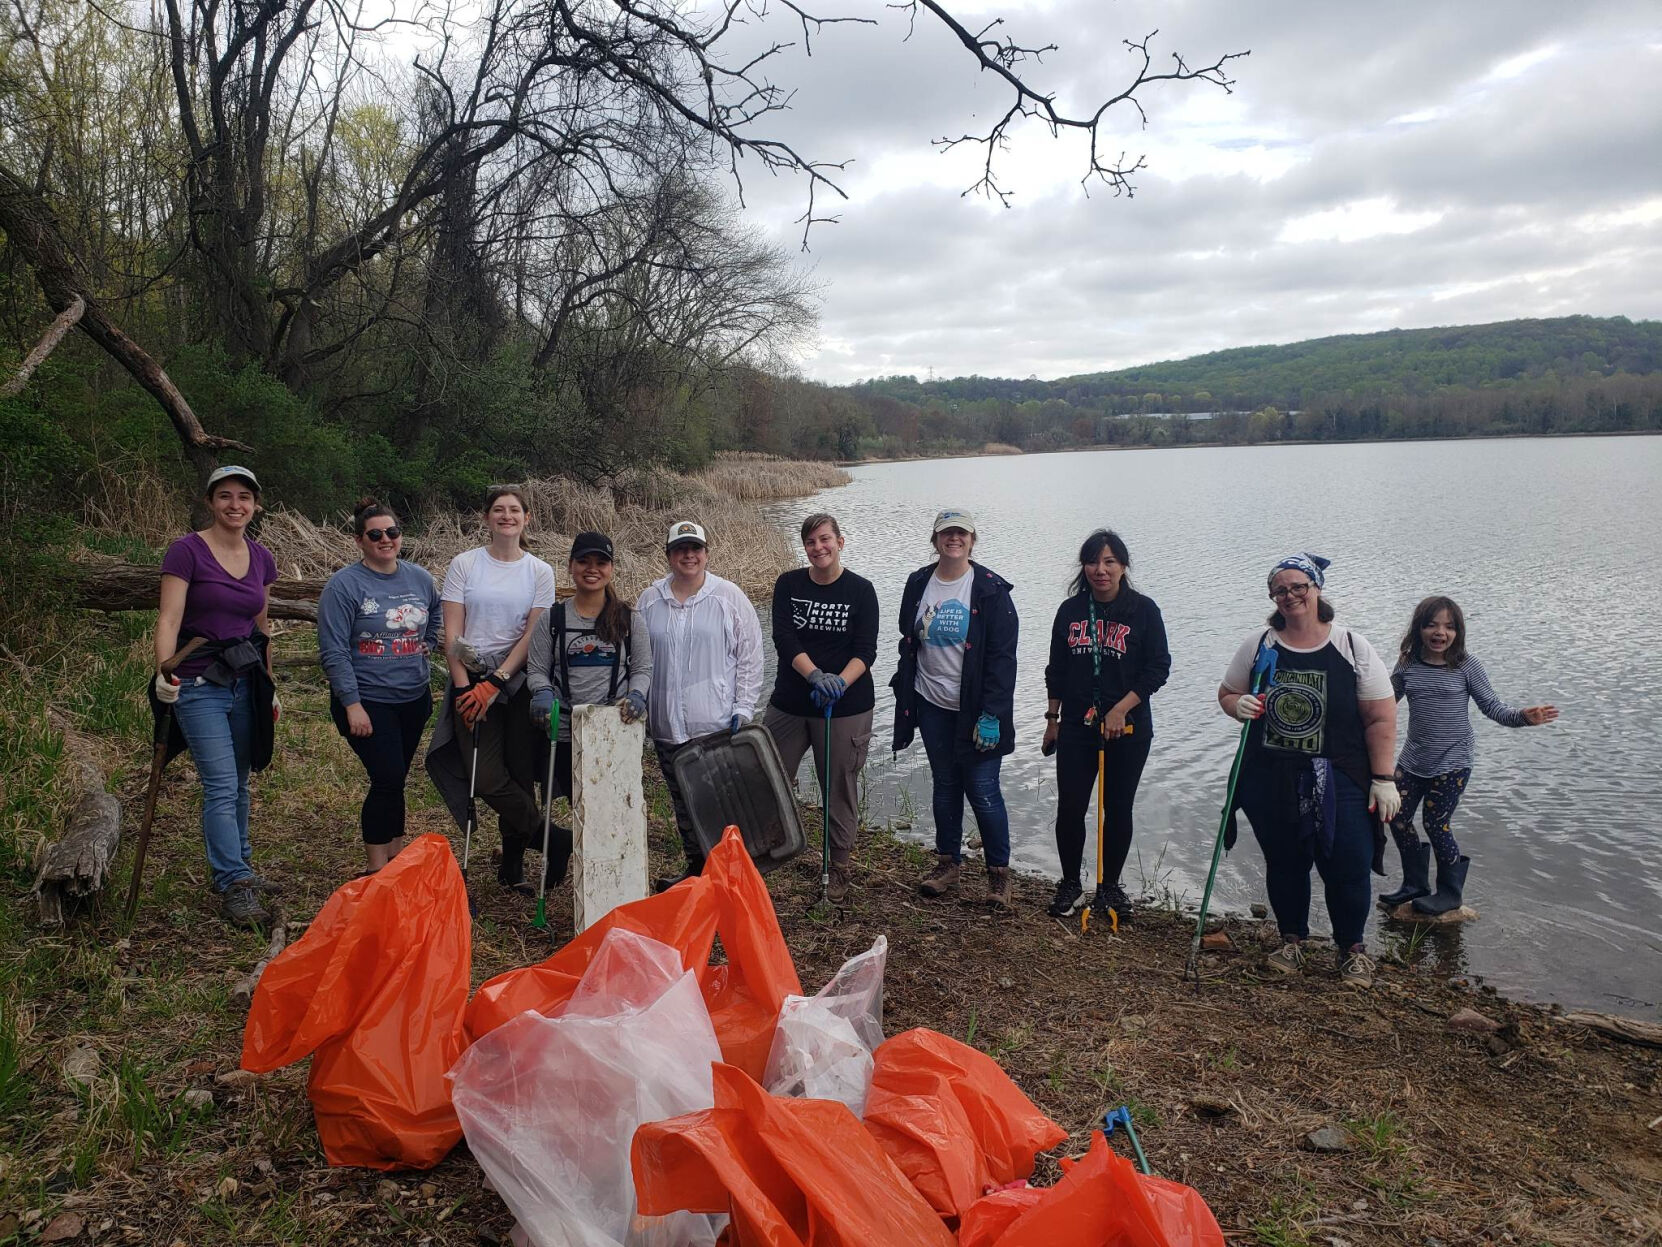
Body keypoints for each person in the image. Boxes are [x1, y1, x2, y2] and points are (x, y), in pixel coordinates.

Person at [1216, 553, 1400, 989]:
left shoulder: (1352, 646)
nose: (1290, 595)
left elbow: (1381, 717)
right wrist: (1237, 707)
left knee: (1348, 863)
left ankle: (1351, 950)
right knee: (1284, 861)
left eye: (1299, 586)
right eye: (1280, 589)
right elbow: (1228, 692)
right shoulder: (1260, 644)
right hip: (1271, 776)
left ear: (1317, 589)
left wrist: (1384, 778)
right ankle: (1291, 940)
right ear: (1272, 597)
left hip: (1342, 777)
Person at [152, 465, 280, 927]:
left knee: (241, 781)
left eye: (244, 497)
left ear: (256, 505)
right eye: (225, 496)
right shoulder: (187, 552)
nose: (235, 505)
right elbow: (169, 619)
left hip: (245, 682)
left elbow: (260, 628)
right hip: (198, 682)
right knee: (222, 785)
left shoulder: (262, 558)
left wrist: (269, 684)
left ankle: (240, 869)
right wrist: (164, 673)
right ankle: (233, 884)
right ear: (210, 502)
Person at [1380, 595, 1558, 916]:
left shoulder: (1466, 665)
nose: (1440, 632)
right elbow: (1383, 702)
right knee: (1397, 817)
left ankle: (1450, 893)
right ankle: (1415, 884)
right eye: (1431, 624)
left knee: (1436, 824)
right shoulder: (1408, 662)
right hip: (1413, 761)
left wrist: (1523, 717)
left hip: (1453, 762)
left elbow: (1493, 707)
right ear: (1418, 628)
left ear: (1458, 631)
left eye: (1448, 626)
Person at [425, 485, 556, 894]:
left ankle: (512, 866)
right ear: (486, 518)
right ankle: (555, 839)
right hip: (469, 680)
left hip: (515, 684)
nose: (506, 516)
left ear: (527, 518)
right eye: (498, 510)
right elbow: (452, 633)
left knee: (520, 774)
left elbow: (533, 635)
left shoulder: (540, 571)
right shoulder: (465, 564)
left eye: (514, 510)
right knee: (484, 777)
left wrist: (497, 682)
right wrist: (467, 689)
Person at [1042, 529, 1171, 922]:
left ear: (1123, 566)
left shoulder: (1144, 610)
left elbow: (1158, 668)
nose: (1101, 570)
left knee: (1118, 807)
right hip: (1079, 726)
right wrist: (1052, 719)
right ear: (1084, 566)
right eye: (1094, 561)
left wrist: (1121, 709)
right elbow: (1057, 669)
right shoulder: (1070, 611)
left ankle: (1110, 886)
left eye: (1110, 561)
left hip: (1128, 728)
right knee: (1071, 806)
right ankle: (1069, 883)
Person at [891, 509, 1018, 909]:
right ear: (935, 540)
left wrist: (992, 713)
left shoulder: (990, 590)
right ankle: (948, 863)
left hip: (977, 712)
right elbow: (907, 638)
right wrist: (905, 687)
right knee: (945, 784)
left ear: (972, 539)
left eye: (961, 533)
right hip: (932, 704)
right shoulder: (918, 583)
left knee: (982, 790)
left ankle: (998, 874)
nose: (954, 539)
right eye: (946, 533)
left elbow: (1002, 658)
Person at [317, 499, 442, 875]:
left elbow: (436, 610)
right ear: (359, 540)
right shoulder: (344, 586)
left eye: (392, 532)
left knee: (396, 780)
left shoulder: (419, 578)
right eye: (375, 534)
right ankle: (375, 872)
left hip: (413, 698)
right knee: (386, 779)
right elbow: (334, 650)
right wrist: (352, 703)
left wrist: (430, 641)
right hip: (369, 701)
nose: (385, 539)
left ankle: (396, 861)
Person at [639, 520, 764, 891]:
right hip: (666, 727)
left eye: (695, 548)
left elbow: (750, 655)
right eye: (680, 549)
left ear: (706, 554)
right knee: (683, 803)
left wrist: (744, 707)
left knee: (720, 803)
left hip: (715, 726)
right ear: (669, 555)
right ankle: (696, 867)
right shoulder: (650, 599)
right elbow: (640, 658)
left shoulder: (728, 596)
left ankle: (732, 875)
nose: (688, 555)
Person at [525, 531, 654, 887]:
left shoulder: (630, 618)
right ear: (570, 567)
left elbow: (642, 669)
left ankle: (608, 877)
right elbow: (536, 669)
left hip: (614, 729)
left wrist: (638, 696)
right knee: (580, 805)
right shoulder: (552, 619)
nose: (591, 569)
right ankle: (580, 864)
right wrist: (541, 693)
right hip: (565, 729)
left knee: (607, 807)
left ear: (611, 569)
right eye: (584, 562)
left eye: (601, 563)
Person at [764, 513, 880, 902]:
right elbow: (784, 637)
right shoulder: (788, 584)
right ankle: (765, 852)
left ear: (840, 542)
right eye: (811, 542)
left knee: (838, 785)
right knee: (768, 774)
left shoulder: (861, 590)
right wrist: (814, 675)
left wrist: (839, 683)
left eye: (825, 539)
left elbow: (866, 651)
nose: (819, 548)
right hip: (792, 701)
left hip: (846, 706)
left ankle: (839, 865)